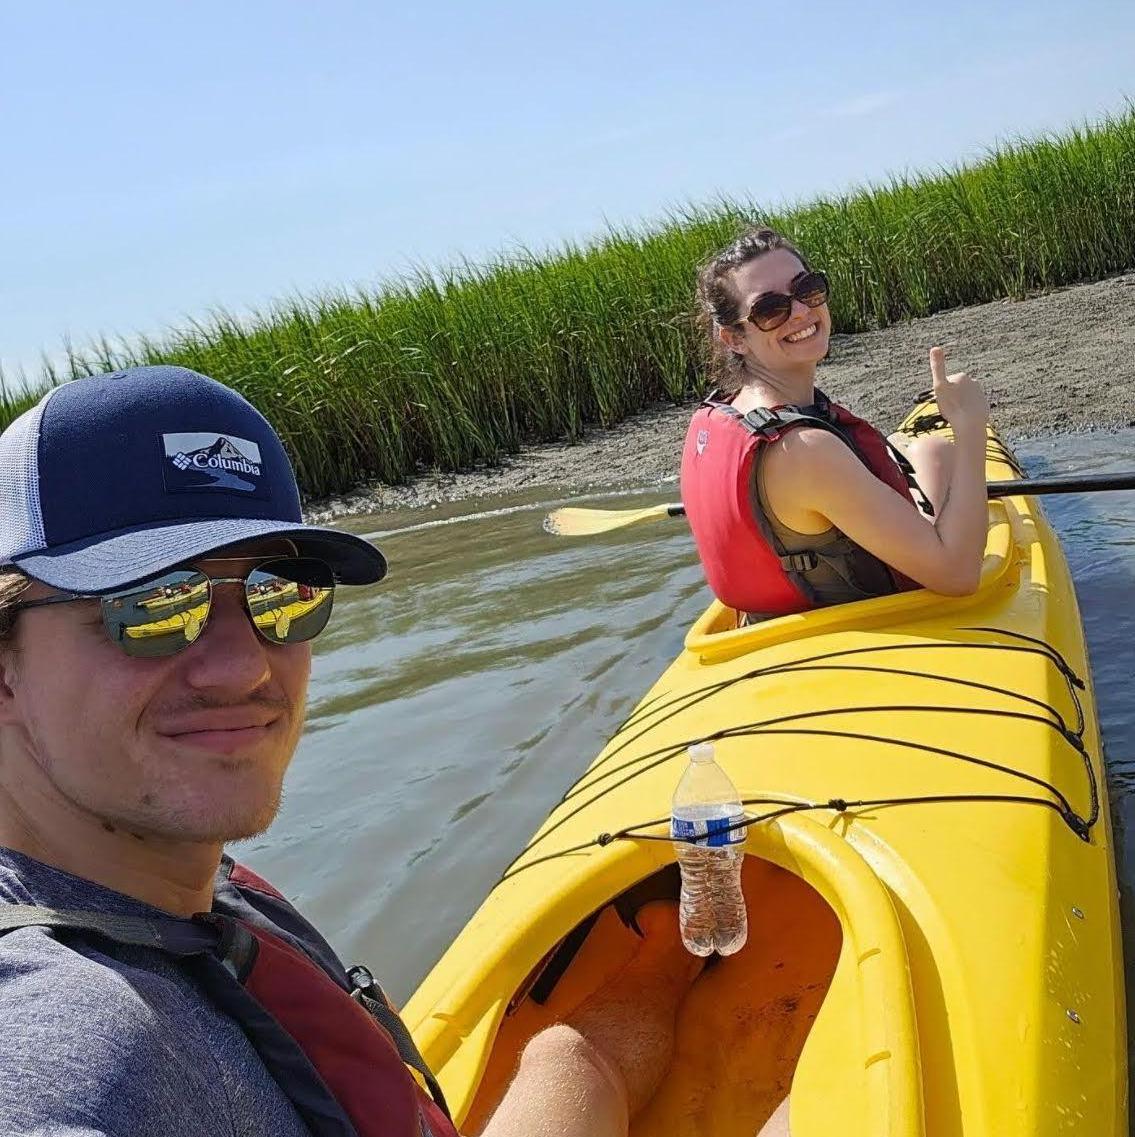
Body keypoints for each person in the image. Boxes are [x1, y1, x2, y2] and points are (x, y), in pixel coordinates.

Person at [0, 365, 743, 1137]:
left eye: (280, 592)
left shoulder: (194, 890)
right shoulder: (57, 1042)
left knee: (569, 1054)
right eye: (152, 605)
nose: (245, 665)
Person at [681, 227, 991, 621]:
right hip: (854, 630)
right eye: (769, 309)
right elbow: (959, 575)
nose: (799, 312)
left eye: (807, 288)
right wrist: (969, 427)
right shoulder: (805, 451)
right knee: (947, 452)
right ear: (735, 340)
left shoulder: (720, 417)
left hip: (769, 626)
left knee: (933, 451)